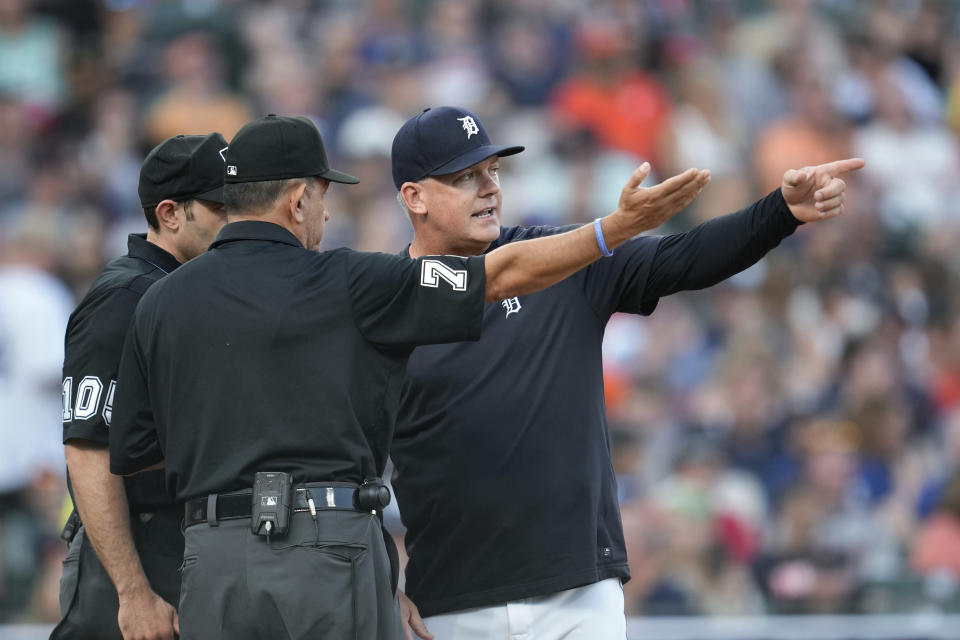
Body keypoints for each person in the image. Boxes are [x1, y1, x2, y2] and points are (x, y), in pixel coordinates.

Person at [107, 114, 710, 640]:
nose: (324, 210)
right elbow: (494, 277)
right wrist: (611, 231)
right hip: (326, 544)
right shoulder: (352, 281)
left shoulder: (160, 302)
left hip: (213, 556)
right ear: (297, 201)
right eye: (321, 196)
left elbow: (134, 453)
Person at [387, 106, 865, 639]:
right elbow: (347, 462)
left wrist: (781, 212)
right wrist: (386, 580)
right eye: (464, 178)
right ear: (414, 197)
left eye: (493, 172)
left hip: (577, 595)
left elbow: (686, 258)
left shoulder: (559, 261)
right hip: (451, 607)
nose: (488, 189)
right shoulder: (384, 303)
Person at [54, 132, 229, 640]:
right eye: (221, 206)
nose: (237, 219)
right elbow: (88, 449)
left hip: (184, 542)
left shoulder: (196, 290)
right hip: (134, 550)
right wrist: (131, 592)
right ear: (171, 213)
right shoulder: (124, 299)